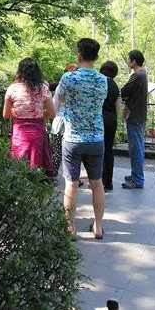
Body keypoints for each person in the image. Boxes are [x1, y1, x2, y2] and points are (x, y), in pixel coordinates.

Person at [56, 38, 107, 240]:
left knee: (71, 184)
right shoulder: (103, 80)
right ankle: (98, 227)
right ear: (95, 57)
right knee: (97, 183)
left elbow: (58, 100)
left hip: (73, 139)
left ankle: (70, 228)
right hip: (96, 138)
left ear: (79, 55)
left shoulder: (68, 78)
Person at [3, 58, 55, 177]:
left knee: (19, 162)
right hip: (38, 130)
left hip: (19, 132)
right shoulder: (43, 88)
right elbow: (52, 113)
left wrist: (21, 113)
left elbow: (6, 114)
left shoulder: (12, 88)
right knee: (38, 164)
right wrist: (37, 113)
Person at [121, 50, 148, 189]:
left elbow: (124, 91)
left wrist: (125, 97)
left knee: (135, 148)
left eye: (129, 60)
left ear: (134, 61)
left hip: (135, 116)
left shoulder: (138, 75)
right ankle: (136, 174)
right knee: (137, 147)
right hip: (139, 115)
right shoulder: (143, 74)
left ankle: (137, 179)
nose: (128, 62)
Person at [50, 63, 78, 179]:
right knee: (73, 153)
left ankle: (53, 175)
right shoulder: (79, 88)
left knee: (57, 151)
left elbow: (54, 106)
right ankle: (73, 177)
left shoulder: (60, 87)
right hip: (73, 124)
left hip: (59, 122)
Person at [99, 61, 120, 191]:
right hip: (111, 119)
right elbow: (118, 106)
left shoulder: (99, 82)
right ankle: (109, 182)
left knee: (99, 150)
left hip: (99, 117)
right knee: (109, 150)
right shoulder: (115, 85)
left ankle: (100, 180)